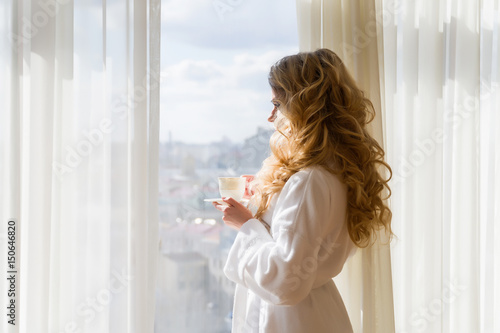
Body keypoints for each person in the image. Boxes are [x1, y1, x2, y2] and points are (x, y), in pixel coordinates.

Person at [212, 48, 393, 333]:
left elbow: (286, 281)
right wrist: (269, 197)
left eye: (278, 104)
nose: (271, 117)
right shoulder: (336, 171)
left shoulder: (309, 181)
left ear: (304, 107)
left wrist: (246, 224)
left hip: (292, 321)